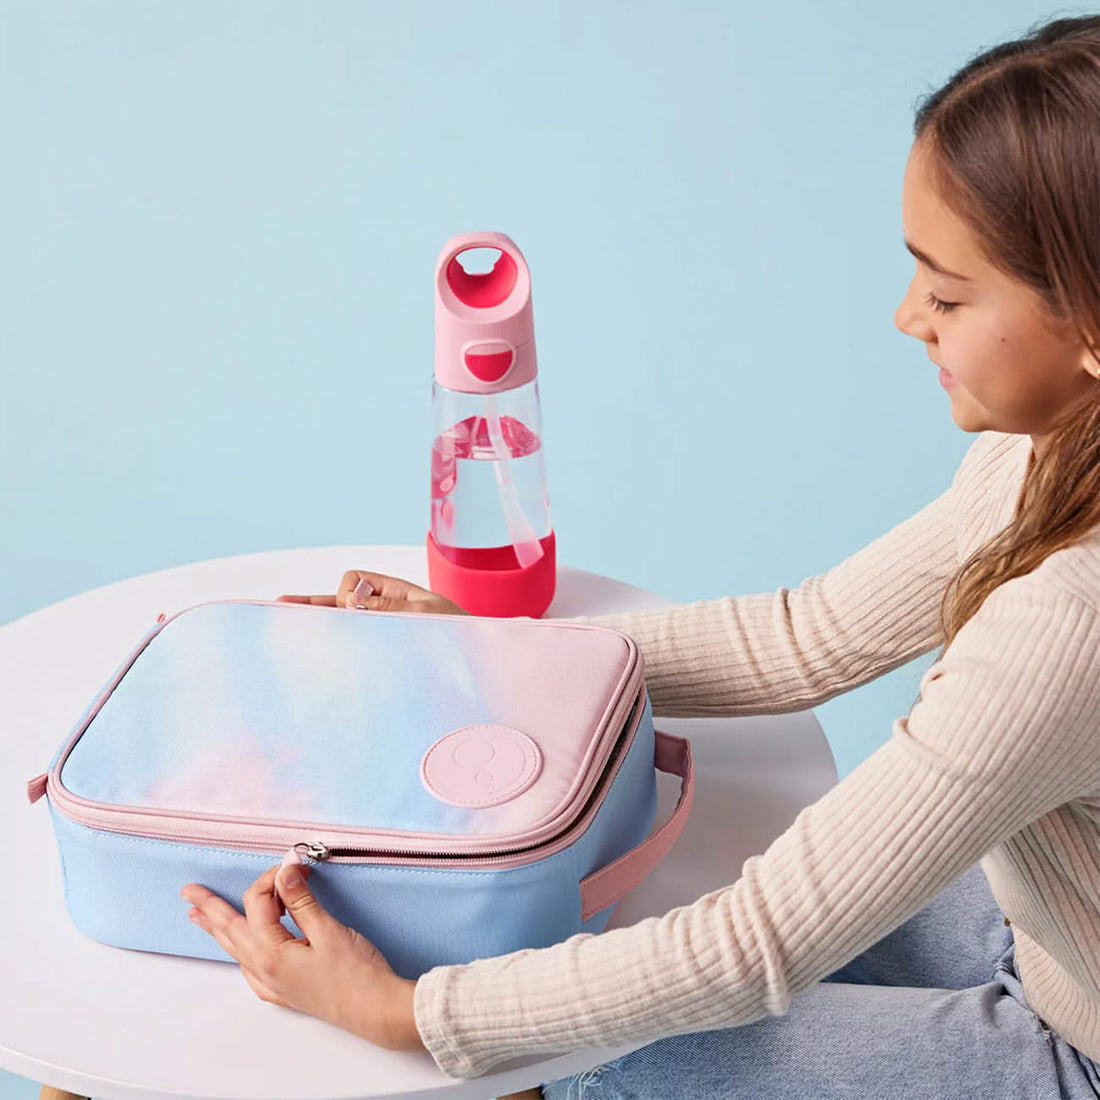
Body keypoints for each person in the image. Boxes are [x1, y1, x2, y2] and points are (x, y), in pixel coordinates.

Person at [180, 13, 1100, 1098]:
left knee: (584, 1061)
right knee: (619, 958)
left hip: (1078, 1042)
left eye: (946, 294)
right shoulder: (1044, 455)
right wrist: (490, 650)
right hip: (1043, 924)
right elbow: (804, 636)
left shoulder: (1067, 621)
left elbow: (756, 942)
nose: (907, 318)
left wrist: (402, 1012)